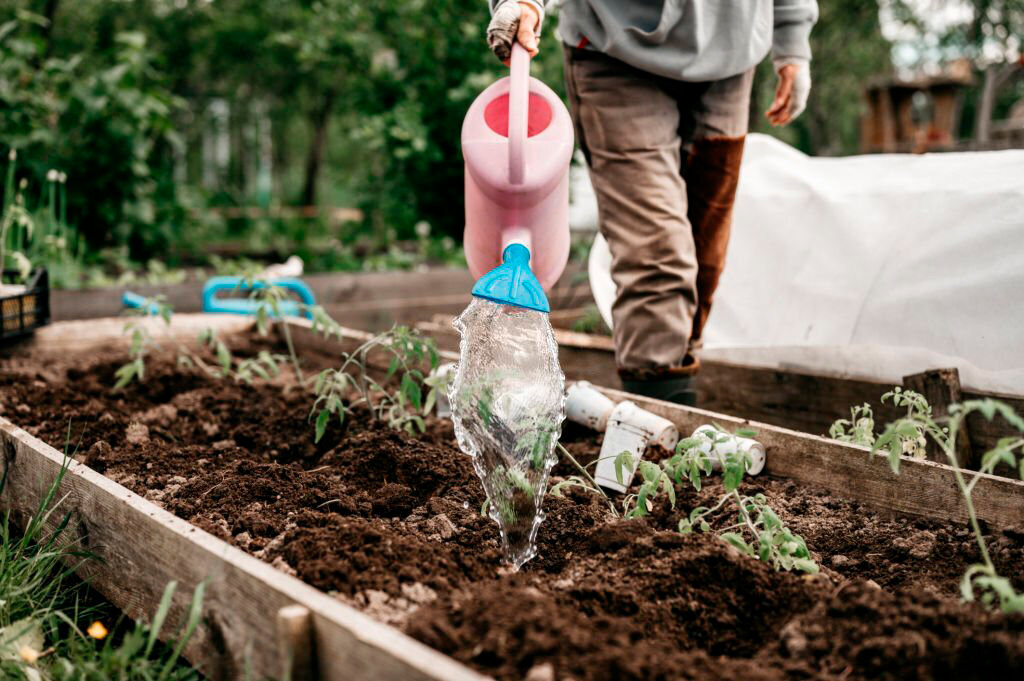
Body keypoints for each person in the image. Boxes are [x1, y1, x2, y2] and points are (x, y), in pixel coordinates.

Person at [486, 1, 818, 405]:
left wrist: (792, 41)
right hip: (614, 48)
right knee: (657, 254)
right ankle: (660, 438)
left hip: (729, 57)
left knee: (704, 256)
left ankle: (672, 411)